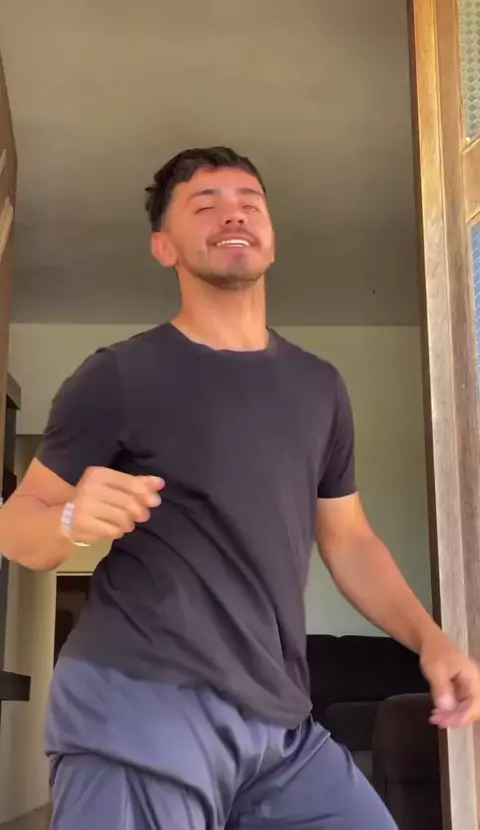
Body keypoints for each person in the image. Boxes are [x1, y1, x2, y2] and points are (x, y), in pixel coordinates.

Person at [1, 146, 479, 830]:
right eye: (206, 205)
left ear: (271, 236)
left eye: (250, 202)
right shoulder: (118, 377)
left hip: (280, 727)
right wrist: (70, 518)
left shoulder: (319, 387)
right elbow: (18, 527)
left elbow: (349, 540)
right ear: (164, 247)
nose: (234, 215)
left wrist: (430, 639)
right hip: (141, 707)